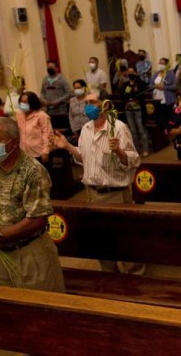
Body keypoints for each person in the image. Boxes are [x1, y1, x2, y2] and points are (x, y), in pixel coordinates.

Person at [51, 93, 143, 274]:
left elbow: (134, 160)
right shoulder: (85, 128)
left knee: (124, 237)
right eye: (86, 103)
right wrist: (68, 146)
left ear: (105, 105)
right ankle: (110, 275)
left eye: (92, 102)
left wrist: (118, 152)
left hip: (115, 192)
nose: (88, 106)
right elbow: (84, 158)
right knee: (101, 238)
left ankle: (135, 276)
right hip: (92, 193)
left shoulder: (118, 127)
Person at [0, 117, 65, 292]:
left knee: (41, 308)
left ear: (14, 142)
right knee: (9, 309)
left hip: (29, 252)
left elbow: (38, 219)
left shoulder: (32, 171)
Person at [16, 91, 53, 166]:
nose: (23, 104)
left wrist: (46, 151)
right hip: (24, 153)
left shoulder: (41, 115)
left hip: (39, 152)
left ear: (32, 103)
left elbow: (47, 134)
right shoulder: (19, 114)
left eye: (25, 102)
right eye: (21, 101)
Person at [121, 68, 149, 158]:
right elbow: (123, 95)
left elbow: (143, 92)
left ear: (135, 73)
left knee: (141, 129)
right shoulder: (125, 84)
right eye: (129, 72)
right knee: (132, 131)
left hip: (138, 110)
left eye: (132, 72)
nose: (130, 74)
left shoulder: (139, 83)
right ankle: (136, 150)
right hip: (128, 110)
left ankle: (145, 149)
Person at [151, 57, 178, 130]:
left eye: (162, 63)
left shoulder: (170, 74)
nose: (160, 65)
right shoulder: (156, 74)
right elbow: (150, 85)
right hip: (157, 100)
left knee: (168, 120)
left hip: (167, 101)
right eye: (160, 63)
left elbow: (175, 86)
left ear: (167, 65)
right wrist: (155, 86)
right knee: (159, 120)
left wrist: (164, 87)